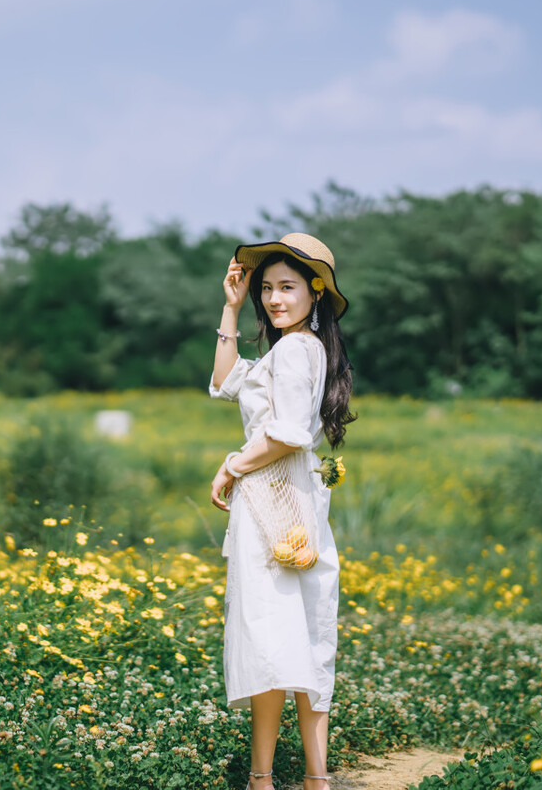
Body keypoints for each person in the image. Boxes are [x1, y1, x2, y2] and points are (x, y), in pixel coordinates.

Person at [208, 233, 357, 790]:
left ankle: (265, 779)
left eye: (287, 287)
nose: (273, 299)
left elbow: (290, 433)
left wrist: (233, 464)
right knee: (303, 636)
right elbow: (224, 381)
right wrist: (229, 305)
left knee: (270, 634)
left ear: (316, 291)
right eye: (266, 288)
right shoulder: (288, 350)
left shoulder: (297, 349)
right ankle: (306, 780)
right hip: (293, 501)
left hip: (273, 497)